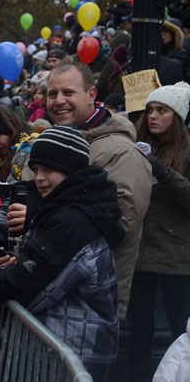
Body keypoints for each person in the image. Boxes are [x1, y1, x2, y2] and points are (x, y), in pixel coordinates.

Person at [0, 126, 125, 382]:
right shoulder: (66, 209)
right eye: (37, 169)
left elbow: (30, 285)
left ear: (71, 171)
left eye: (49, 170)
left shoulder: (72, 222)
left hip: (64, 364)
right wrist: (10, 263)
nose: (40, 178)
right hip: (58, 356)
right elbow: (40, 270)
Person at [40, 61, 152, 319]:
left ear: (91, 95)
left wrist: (43, 225)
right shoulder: (56, 142)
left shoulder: (120, 152)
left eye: (68, 93)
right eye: (52, 94)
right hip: (48, 291)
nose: (59, 101)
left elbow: (122, 222)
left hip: (90, 304)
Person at [127, 82, 190, 382]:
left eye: (161, 110)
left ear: (176, 117)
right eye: (150, 110)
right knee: (139, 328)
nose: (152, 116)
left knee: (181, 330)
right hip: (140, 254)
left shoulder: (187, 152)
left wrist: (165, 174)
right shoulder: (137, 146)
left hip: (176, 257)